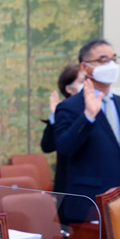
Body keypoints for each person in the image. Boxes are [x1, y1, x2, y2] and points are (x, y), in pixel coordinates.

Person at [55, 38, 120, 223]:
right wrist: (88, 117)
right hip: (90, 206)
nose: (111, 65)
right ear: (85, 67)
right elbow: (64, 148)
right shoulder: (70, 107)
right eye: (103, 60)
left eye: (113, 59)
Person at [40, 64, 85, 196]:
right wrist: (54, 115)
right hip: (69, 186)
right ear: (69, 89)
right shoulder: (64, 112)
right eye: (82, 81)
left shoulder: (102, 108)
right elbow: (47, 146)